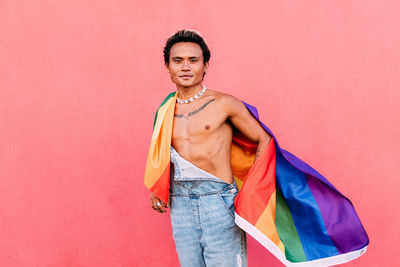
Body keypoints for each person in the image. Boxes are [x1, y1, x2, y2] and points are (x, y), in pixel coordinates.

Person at [149, 29, 272, 267]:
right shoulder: (165, 109)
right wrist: (158, 188)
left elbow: (264, 140)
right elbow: (164, 155)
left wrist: (252, 191)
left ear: (205, 66)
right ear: (167, 67)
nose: (185, 67)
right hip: (180, 201)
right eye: (178, 60)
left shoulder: (224, 103)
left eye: (193, 60)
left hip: (219, 201)